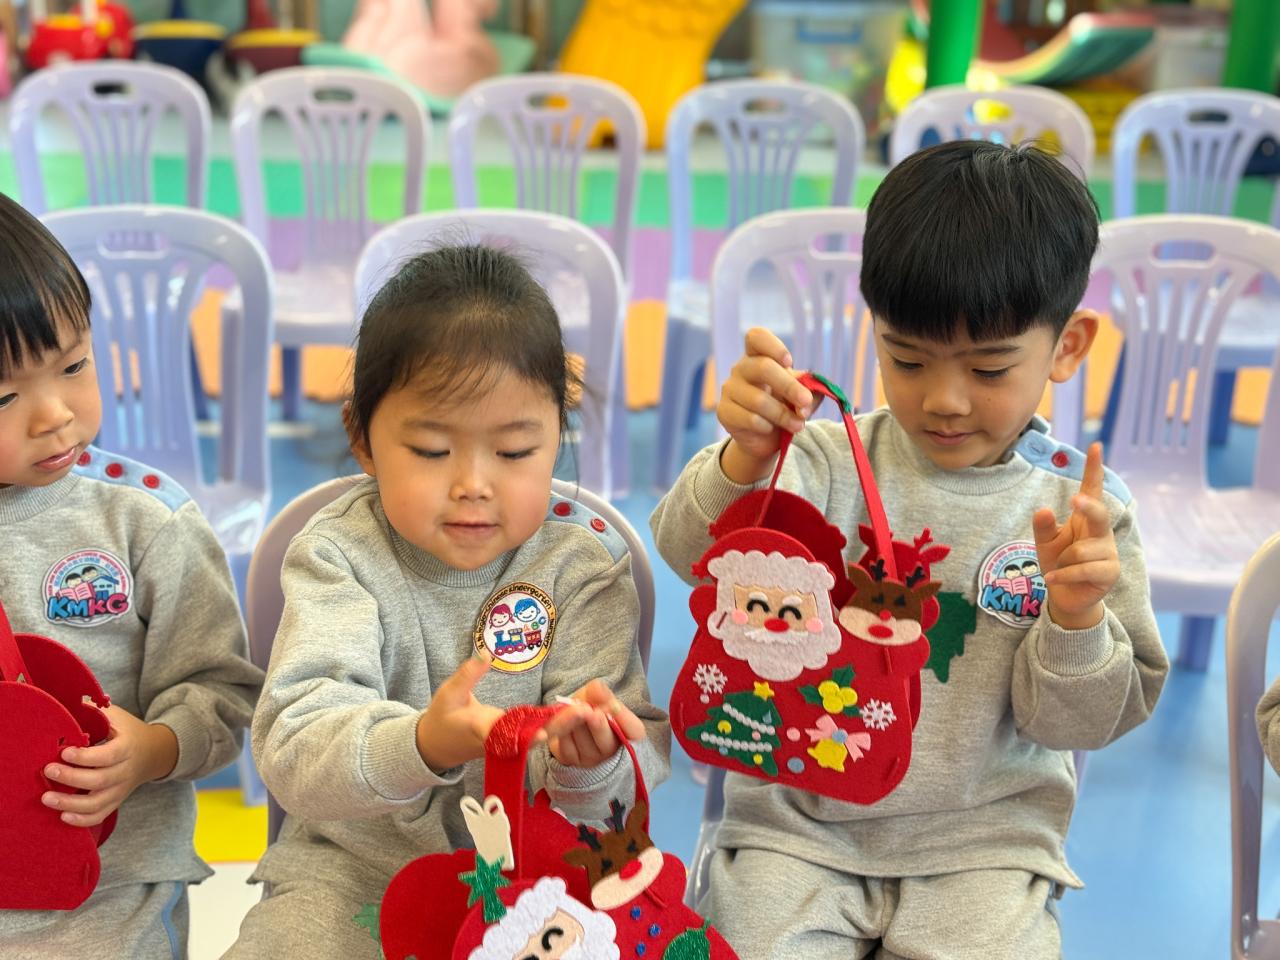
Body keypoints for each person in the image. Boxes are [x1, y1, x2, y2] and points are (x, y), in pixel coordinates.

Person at [650, 141, 1169, 959]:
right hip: (799, 828)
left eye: (989, 368)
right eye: (907, 359)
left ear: (1068, 347)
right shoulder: (823, 460)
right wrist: (743, 459)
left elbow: (1078, 724)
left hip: (984, 847)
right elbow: (687, 554)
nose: (945, 399)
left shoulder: (1086, 518)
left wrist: (1075, 619)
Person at [227, 244, 670, 957]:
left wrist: (590, 765)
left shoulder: (580, 567)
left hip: (542, 884)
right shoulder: (339, 556)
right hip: (351, 874)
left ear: (557, 435)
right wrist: (421, 744)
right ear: (362, 439)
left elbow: (627, 791)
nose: (473, 485)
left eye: (515, 452)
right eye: (433, 451)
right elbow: (294, 746)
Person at [0, 191, 262, 957]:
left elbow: (223, 695)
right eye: (4, 395)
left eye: (74, 365)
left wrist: (151, 748)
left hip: (110, 889)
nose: (55, 414)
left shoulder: (143, 520)